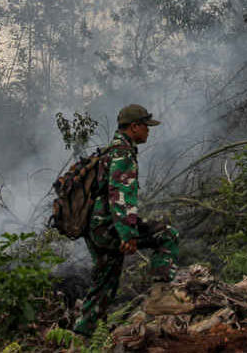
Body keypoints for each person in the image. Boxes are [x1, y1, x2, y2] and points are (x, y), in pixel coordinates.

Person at [73, 103, 180, 335]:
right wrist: (128, 234)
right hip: (110, 228)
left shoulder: (110, 151)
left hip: (96, 229)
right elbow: (120, 195)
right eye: (146, 126)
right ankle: (160, 297)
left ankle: (81, 338)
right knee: (168, 235)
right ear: (134, 127)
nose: (149, 131)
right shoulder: (123, 154)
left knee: (104, 285)